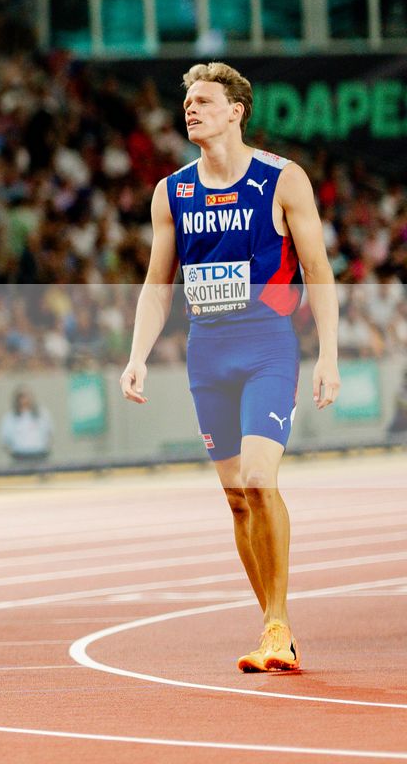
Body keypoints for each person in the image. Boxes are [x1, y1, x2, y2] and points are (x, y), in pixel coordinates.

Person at [122, 62, 340, 673]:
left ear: (236, 110)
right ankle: (269, 625)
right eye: (187, 101)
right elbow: (157, 286)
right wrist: (137, 356)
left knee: (261, 480)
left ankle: (279, 625)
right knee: (238, 499)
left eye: (204, 101)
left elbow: (319, 270)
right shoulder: (174, 191)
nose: (191, 109)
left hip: (268, 345)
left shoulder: (282, 180)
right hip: (207, 354)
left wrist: (329, 353)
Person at [0, 386, 52, 464]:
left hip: (39, 455)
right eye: (22, 397)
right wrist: (13, 454)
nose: (25, 400)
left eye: (27, 396)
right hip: (20, 457)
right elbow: (4, 440)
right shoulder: (9, 418)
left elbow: (50, 434)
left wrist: (46, 450)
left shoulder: (42, 414)